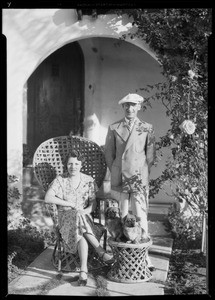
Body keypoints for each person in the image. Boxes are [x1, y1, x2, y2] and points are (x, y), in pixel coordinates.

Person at [45, 150, 113, 286]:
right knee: (76, 216)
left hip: (83, 218)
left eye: (76, 163)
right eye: (70, 164)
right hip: (65, 219)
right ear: (66, 165)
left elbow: (92, 204)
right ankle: (100, 251)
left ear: (81, 164)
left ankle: (83, 270)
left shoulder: (88, 181)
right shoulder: (60, 180)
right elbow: (48, 198)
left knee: (79, 223)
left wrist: (85, 211)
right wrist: (69, 204)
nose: (73, 167)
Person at [104, 93, 156, 270]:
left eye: (133, 105)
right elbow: (109, 154)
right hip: (120, 176)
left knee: (141, 215)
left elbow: (150, 156)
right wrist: (116, 170)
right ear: (122, 107)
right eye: (126, 105)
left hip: (138, 177)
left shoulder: (146, 127)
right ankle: (123, 257)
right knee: (122, 214)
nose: (130, 108)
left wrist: (142, 173)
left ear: (139, 107)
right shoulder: (114, 127)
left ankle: (145, 257)